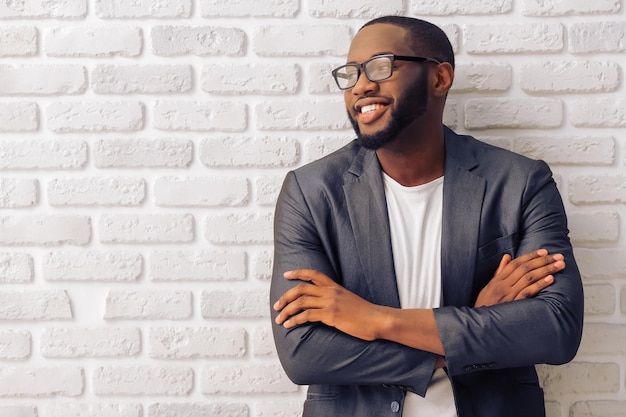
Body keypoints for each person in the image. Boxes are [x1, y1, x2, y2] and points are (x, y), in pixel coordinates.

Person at [270, 15, 584, 417]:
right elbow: (303, 353)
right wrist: (470, 326)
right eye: (350, 74)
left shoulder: (520, 182)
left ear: (439, 78)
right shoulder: (311, 192)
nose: (361, 85)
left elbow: (555, 330)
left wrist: (372, 319)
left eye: (381, 66)